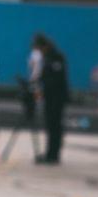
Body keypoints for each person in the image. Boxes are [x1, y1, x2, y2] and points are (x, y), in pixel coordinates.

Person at [30, 34, 69, 165]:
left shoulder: (56, 57)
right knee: (50, 126)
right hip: (49, 97)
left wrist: (43, 85)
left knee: (55, 126)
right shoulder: (46, 58)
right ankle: (49, 152)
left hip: (56, 98)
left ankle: (53, 154)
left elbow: (56, 79)